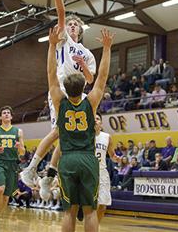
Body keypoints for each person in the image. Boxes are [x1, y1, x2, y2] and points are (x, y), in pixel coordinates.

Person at [20, 0, 97, 193]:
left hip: (78, 94)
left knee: (67, 136)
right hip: (60, 90)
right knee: (57, 132)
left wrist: (82, 64)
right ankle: (31, 168)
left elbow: (90, 80)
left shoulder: (87, 54)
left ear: (81, 30)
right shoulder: (62, 41)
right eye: (70, 24)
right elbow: (61, 12)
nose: (71, 26)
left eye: (75, 25)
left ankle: (48, 175)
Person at [44, 25, 114, 232]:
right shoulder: (90, 103)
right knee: (90, 211)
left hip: (67, 159)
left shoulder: (59, 101)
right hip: (87, 159)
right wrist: (107, 48)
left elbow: (50, 73)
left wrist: (51, 46)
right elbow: (101, 78)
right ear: (84, 87)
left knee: (69, 212)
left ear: (66, 87)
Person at [0, 106, 26, 232]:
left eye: (8, 113)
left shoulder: (18, 131)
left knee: (6, 198)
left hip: (12, 165)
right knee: (0, 188)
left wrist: (20, 146)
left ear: (11, 116)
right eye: (4, 113)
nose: (6, 114)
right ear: (0, 117)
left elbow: (22, 152)